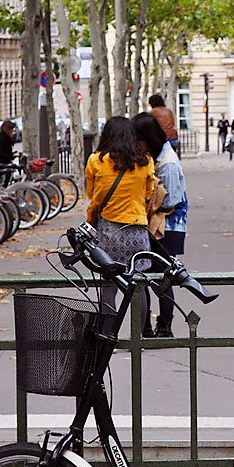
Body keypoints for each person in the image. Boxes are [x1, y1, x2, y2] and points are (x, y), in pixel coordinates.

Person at [85, 116, 156, 330]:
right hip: (136, 230)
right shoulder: (145, 160)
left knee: (108, 285)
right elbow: (148, 194)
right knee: (139, 284)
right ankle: (139, 336)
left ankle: (107, 336)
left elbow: (93, 195)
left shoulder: (96, 160)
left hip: (108, 230)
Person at [132, 112, 188, 339]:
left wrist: (146, 203)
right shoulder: (155, 157)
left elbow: (171, 200)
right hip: (156, 226)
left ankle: (164, 326)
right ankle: (148, 325)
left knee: (163, 278)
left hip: (168, 227)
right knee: (148, 275)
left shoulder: (168, 163)